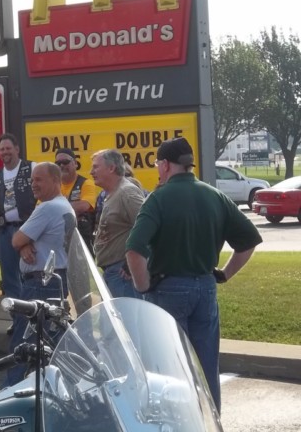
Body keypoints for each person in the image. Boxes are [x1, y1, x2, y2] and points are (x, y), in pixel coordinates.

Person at [125, 137, 262, 412]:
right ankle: (209, 420)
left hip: (167, 290)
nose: (157, 169)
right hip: (206, 287)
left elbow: (134, 249)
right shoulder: (214, 195)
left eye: (157, 164)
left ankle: (178, 422)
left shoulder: (158, 199)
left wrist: (142, 286)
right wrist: (224, 274)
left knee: (171, 369)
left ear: (165, 165)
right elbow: (249, 241)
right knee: (206, 366)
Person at [6, 162, 76, 386]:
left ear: (55, 180)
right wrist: (25, 245)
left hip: (40, 284)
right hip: (56, 280)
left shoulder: (47, 208)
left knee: (24, 345)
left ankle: (11, 391)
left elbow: (16, 239)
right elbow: (24, 241)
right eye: (32, 180)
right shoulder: (64, 205)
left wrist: (23, 243)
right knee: (51, 344)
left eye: (39, 179)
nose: (33, 184)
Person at [0, 133, 36, 334]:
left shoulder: (31, 168)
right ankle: (19, 322)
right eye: (2, 149)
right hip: (4, 231)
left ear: (17, 149)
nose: (5, 152)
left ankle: (35, 322)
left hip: (27, 230)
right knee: (10, 279)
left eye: (8, 148)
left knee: (31, 275)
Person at [90, 149, 145, 298]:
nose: (91, 172)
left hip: (123, 275)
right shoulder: (113, 193)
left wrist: (131, 262)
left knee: (125, 314)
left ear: (111, 168)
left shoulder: (127, 192)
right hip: (114, 273)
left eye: (96, 167)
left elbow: (147, 227)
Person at [55, 147, 96, 252]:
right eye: (58, 163)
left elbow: (84, 206)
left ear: (75, 164)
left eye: (65, 162)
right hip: (58, 239)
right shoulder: (53, 185)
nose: (62, 166)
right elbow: (40, 207)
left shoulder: (86, 183)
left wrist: (54, 208)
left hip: (81, 239)